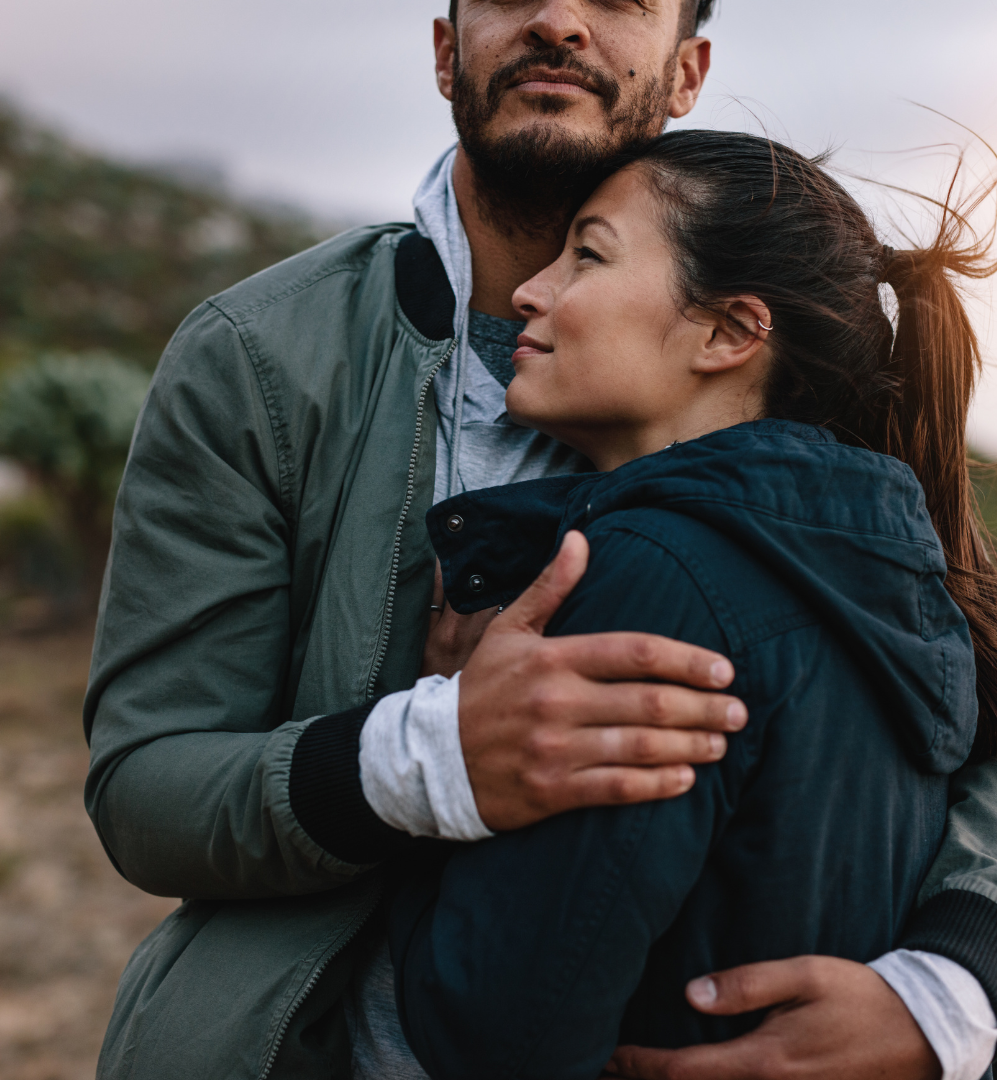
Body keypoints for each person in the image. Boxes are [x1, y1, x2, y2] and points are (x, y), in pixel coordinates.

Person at [83, 2, 997, 1078]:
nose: (560, 18)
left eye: (619, 0)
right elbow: (146, 786)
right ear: (443, 48)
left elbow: (962, 694)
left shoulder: (791, 363)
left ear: (688, 68)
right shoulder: (258, 360)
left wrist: (950, 988)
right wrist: (421, 757)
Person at [387, 129, 997, 1080]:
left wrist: (445, 750)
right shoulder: (882, 579)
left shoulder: (652, 575)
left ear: (725, 332)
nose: (528, 293)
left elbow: (494, 1029)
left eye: (587, 254)